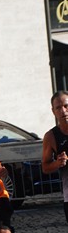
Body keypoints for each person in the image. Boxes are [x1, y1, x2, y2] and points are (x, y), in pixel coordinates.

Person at [42, 90, 68, 223]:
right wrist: (58, 163)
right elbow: (45, 167)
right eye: (58, 108)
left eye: (66, 106)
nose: (63, 111)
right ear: (53, 111)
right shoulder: (51, 136)